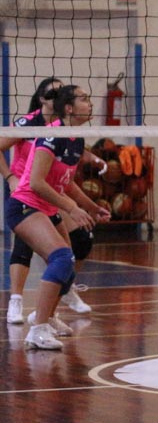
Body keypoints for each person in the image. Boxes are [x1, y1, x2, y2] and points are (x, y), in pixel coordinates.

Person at [6, 85, 111, 350]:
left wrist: (91, 207)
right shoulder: (51, 136)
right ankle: (37, 330)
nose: (90, 104)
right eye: (84, 99)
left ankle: (46, 317)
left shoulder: (75, 139)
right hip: (25, 205)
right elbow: (37, 183)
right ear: (69, 108)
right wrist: (72, 209)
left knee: (68, 262)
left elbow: (68, 182)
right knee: (61, 257)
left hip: (47, 208)